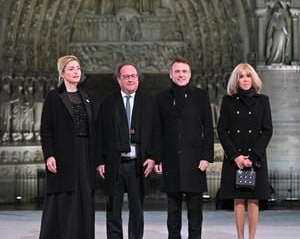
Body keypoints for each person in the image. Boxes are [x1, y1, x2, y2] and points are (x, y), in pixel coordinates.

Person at [96, 62, 160, 239]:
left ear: (138, 79)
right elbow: (99, 134)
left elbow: (156, 132)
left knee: (137, 211)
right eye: (126, 76)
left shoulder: (149, 102)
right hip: (114, 164)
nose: (131, 79)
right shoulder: (107, 103)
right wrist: (100, 161)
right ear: (118, 80)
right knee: (113, 211)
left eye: (134, 76)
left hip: (137, 165)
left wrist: (154, 158)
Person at [154, 58, 214, 239]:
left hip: (195, 160)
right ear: (170, 75)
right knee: (173, 210)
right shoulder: (161, 97)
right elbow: (157, 130)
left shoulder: (201, 95)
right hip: (170, 159)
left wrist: (206, 157)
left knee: (195, 211)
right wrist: (157, 158)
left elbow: (208, 128)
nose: (181, 75)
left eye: (184, 71)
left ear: (190, 74)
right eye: (177, 72)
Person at [39, 55, 96, 239]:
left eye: (78, 68)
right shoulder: (54, 97)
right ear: (62, 73)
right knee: (64, 198)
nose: (76, 72)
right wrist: (49, 155)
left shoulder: (86, 96)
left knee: (84, 196)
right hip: (63, 154)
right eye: (71, 68)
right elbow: (46, 129)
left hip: (84, 152)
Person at [217, 63, 273, 239]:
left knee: (254, 199)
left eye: (248, 75)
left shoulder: (263, 101)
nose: (245, 79)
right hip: (235, 157)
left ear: (253, 78)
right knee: (239, 199)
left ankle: (252, 237)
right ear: (236, 80)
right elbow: (222, 130)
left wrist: (253, 155)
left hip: (255, 157)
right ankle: (240, 237)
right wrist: (235, 156)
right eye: (241, 76)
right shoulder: (228, 101)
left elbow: (267, 130)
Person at [265, 1, 290, 65]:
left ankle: (281, 60)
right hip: (275, 34)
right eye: (277, 7)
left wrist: (286, 34)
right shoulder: (273, 18)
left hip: (282, 35)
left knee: (281, 48)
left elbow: (284, 27)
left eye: (279, 7)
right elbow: (270, 29)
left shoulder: (282, 18)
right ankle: (273, 59)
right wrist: (269, 37)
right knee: (274, 48)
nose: (278, 9)